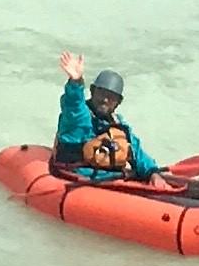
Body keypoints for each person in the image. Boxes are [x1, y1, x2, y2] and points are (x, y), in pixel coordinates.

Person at [52, 52, 161, 184]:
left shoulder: (118, 124)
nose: (104, 99)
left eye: (111, 97)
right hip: (78, 176)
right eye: (101, 93)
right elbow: (73, 102)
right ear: (92, 91)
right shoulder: (79, 116)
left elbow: (136, 152)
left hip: (111, 178)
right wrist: (76, 82)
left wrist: (153, 172)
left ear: (118, 102)